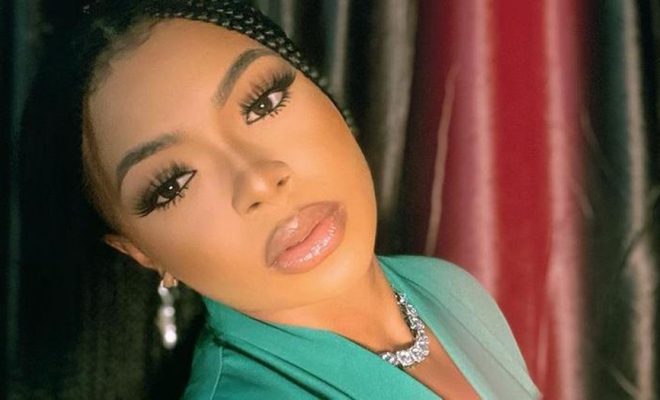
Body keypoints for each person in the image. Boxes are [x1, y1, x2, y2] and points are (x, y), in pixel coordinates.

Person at [69, 0, 539, 398]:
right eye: (173, 184)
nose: (258, 180)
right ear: (142, 251)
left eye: (263, 102)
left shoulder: (449, 289)